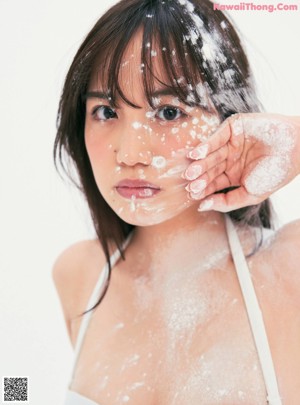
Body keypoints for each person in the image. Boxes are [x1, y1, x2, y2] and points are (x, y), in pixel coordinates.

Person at [52, 0, 300, 403]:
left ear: (229, 117)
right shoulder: (78, 275)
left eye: (168, 112)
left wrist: (297, 141)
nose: (130, 152)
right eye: (106, 110)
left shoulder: (290, 271)